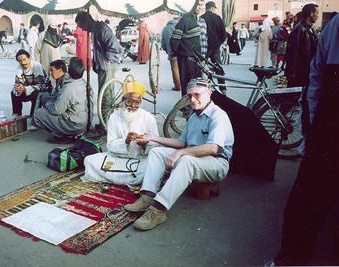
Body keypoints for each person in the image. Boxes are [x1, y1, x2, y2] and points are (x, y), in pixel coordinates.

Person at [272, 10, 339, 266]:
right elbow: (315, 76)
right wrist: (314, 129)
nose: (316, 16)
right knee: (304, 205)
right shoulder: (336, 27)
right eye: (313, 13)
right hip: (331, 131)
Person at [124, 79, 234, 231]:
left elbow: (213, 148)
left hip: (216, 163)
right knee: (156, 152)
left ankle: (158, 210)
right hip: (195, 156)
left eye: (197, 95)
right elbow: (182, 143)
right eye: (189, 96)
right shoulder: (194, 116)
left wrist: (180, 153)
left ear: (209, 92)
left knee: (186, 160)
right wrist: (152, 137)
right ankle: (148, 196)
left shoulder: (218, 116)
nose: (192, 100)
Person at [82, 81, 159, 186]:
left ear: (141, 102)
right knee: (89, 160)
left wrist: (145, 145)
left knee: (154, 167)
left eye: (137, 102)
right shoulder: (114, 116)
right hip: (117, 158)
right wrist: (126, 142)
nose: (132, 105)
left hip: (140, 159)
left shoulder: (149, 118)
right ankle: (132, 180)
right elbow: (110, 145)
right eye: (129, 101)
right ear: (124, 101)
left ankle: (115, 179)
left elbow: (155, 145)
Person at [75, 11, 121, 129]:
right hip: (103, 65)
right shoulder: (95, 30)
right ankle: (104, 122)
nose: (82, 28)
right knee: (104, 93)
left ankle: (106, 125)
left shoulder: (101, 29)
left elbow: (114, 45)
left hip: (107, 65)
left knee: (105, 95)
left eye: (81, 25)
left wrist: (108, 61)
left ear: (86, 21)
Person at [284, 3, 319, 144]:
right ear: (310, 13)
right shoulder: (300, 29)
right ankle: (283, 123)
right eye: (316, 12)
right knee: (292, 100)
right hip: (299, 73)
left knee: (298, 101)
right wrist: (291, 72)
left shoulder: (308, 29)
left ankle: (301, 130)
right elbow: (292, 52)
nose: (317, 15)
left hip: (305, 73)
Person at [33, 58, 88, 144]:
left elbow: (56, 110)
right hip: (82, 121)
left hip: (74, 124)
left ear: (61, 70)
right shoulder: (81, 82)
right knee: (45, 97)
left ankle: (65, 136)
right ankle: (71, 133)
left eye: (52, 70)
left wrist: (47, 103)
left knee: (38, 114)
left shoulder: (68, 89)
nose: (50, 72)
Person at [170, 0, 202, 97]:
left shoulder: (194, 18)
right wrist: (177, 51)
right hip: (186, 58)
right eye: (198, 5)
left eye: (201, 5)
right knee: (188, 84)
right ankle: (186, 108)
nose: (200, 7)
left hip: (194, 58)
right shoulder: (186, 19)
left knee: (194, 84)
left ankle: (193, 106)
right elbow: (174, 39)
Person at [10, 49, 48, 120]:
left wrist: (25, 89)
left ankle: (34, 117)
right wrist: (18, 88)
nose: (23, 62)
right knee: (14, 92)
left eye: (24, 59)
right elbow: (18, 82)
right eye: (20, 61)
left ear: (29, 58)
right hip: (29, 89)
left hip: (43, 91)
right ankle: (17, 114)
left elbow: (42, 86)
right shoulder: (19, 67)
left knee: (36, 94)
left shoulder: (37, 66)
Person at [161, 17, 181, 91]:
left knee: (174, 69)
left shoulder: (165, 28)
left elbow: (162, 43)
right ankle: (183, 85)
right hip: (181, 51)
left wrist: (167, 50)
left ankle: (177, 86)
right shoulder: (180, 26)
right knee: (182, 69)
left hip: (171, 52)